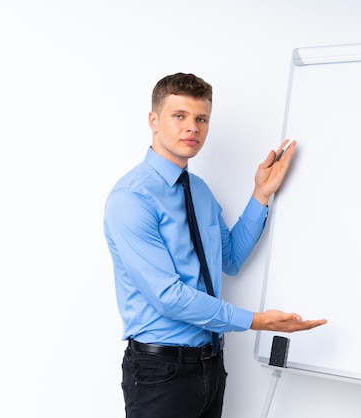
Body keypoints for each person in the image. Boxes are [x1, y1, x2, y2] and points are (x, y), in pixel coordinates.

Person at [103, 72, 327, 418]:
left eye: (201, 118)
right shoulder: (132, 197)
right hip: (159, 372)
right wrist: (256, 321)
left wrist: (261, 194)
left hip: (210, 366)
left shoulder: (201, 192)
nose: (192, 127)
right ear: (154, 120)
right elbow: (168, 297)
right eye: (179, 116)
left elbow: (231, 259)